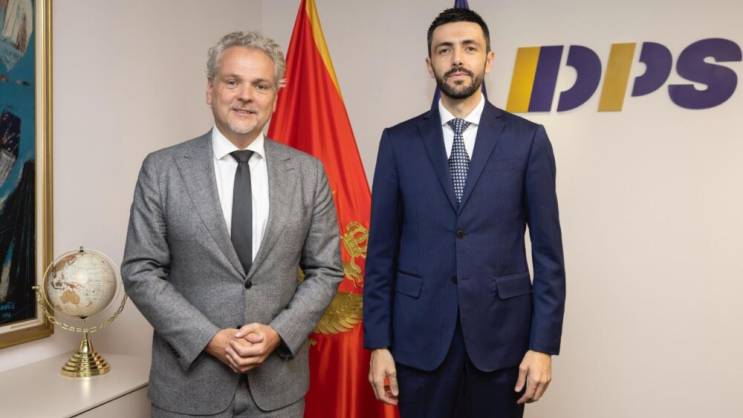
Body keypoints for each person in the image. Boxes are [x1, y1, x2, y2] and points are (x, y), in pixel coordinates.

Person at [122, 31, 343, 418]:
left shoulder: (308, 173)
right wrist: (209, 338)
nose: (246, 95)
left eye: (261, 85)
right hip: (187, 389)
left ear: (275, 96)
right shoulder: (162, 169)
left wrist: (277, 333)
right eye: (232, 82)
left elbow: (326, 270)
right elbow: (140, 270)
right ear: (210, 90)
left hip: (278, 390)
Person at [364, 8, 566, 418]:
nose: (457, 59)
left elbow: (548, 255)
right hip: (418, 343)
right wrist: (378, 344)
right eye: (445, 50)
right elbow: (380, 252)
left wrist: (542, 345)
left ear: (488, 60)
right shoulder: (398, 142)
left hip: (503, 344)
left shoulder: (528, 140)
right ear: (430, 64)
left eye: (469, 48)